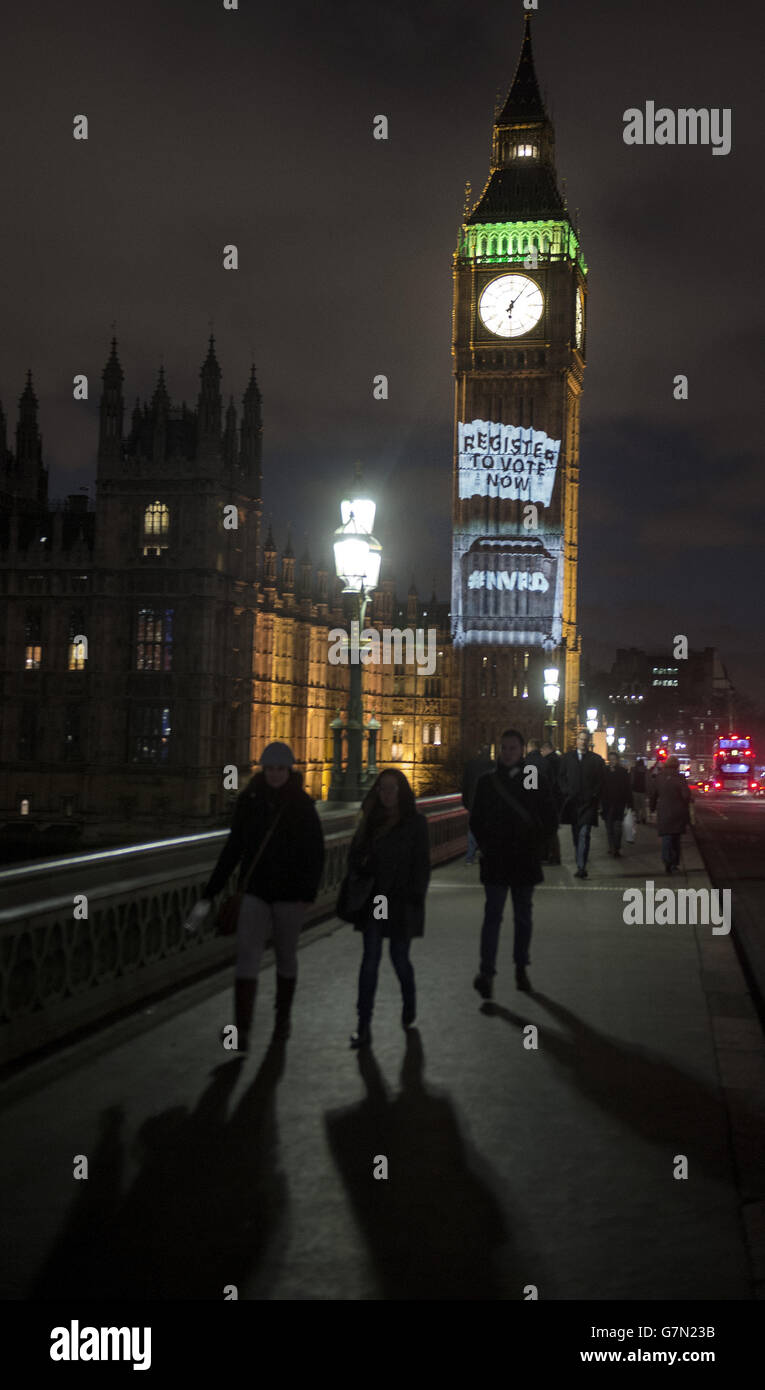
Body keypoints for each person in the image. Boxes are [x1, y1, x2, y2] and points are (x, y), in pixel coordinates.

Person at [183, 742, 325, 1052]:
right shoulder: (249, 801)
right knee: (247, 958)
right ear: (263, 769)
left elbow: (315, 853)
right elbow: (233, 849)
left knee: (286, 958)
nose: (274, 774)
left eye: (280, 768)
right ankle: (242, 1032)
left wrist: (308, 893)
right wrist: (210, 893)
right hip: (256, 893)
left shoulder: (302, 804)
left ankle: (282, 1020)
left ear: (289, 770)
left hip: (289, 896)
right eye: (270, 768)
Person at [344, 768, 430, 1049]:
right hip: (375, 900)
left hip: (401, 901)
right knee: (370, 962)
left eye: (392, 788)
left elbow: (422, 865)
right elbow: (354, 857)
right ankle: (363, 1025)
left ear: (402, 792)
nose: (386, 794)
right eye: (382, 789)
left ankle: (409, 1001)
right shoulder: (370, 821)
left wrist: (415, 895)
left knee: (399, 959)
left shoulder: (416, 823)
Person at [470, 728, 558, 996]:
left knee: (522, 917)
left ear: (521, 751)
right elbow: (476, 820)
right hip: (497, 858)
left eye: (512, 748)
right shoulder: (488, 782)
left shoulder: (531, 777)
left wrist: (536, 844)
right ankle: (487, 972)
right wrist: (486, 846)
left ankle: (520, 968)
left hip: (523, 858)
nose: (508, 753)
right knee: (493, 917)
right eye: (504, 748)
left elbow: (548, 813)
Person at [558, 730, 606, 878]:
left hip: (588, 804)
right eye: (580, 739)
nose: (582, 742)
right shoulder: (567, 758)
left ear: (588, 741)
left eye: (585, 739)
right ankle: (579, 858)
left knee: (584, 834)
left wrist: (594, 794)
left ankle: (581, 866)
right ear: (577, 741)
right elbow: (560, 777)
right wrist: (566, 791)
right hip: (572, 803)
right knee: (576, 835)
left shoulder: (596, 760)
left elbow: (601, 781)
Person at [649, 756, 692, 873]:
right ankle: (674, 863)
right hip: (678, 811)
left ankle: (666, 861)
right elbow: (686, 795)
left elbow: (653, 795)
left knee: (666, 837)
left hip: (664, 811)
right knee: (676, 839)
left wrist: (652, 808)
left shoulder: (659, 777)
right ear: (677, 765)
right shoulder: (680, 777)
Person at [462, 744, 493, 864]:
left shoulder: (470, 765)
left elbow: (465, 785)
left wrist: (465, 802)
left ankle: (470, 857)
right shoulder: (493, 766)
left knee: (472, 829)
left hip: (473, 802)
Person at [600, 750, 634, 857]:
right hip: (607, 804)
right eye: (610, 759)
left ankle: (617, 846)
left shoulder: (623, 772)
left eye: (614, 759)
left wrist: (630, 804)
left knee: (617, 828)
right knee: (609, 828)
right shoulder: (604, 771)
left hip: (619, 804)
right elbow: (600, 788)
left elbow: (628, 789)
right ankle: (612, 847)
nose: (612, 761)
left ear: (617, 760)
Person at [541, 740, 563, 863]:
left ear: (545, 749)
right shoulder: (559, 759)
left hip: (550, 798)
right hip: (558, 798)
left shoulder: (547, 761)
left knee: (549, 829)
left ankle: (553, 856)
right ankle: (552, 855)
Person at [631, 757, 648, 824]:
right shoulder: (645, 770)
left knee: (636, 806)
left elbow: (631, 780)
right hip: (643, 790)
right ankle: (643, 818)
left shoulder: (634, 770)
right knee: (643, 806)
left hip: (635, 790)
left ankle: (638, 818)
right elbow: (647, 781)